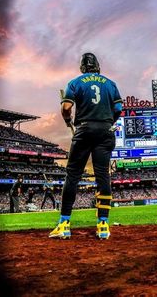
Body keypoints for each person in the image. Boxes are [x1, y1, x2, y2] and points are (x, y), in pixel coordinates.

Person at [49, 52, 122, 240]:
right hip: (106, 131)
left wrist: (68, 120)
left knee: (72, 175)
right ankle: (103, 226)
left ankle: (64, 224)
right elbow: (118, 109)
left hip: (83, 128)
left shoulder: (75, 82)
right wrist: (106, 123)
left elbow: (66, 108)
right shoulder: (111, 84)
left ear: (82, 67)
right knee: (102, 176)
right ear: (98, 66)